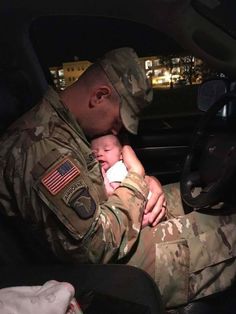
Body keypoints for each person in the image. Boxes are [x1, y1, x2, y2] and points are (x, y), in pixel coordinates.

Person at [0, 47, 235, 309]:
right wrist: (136, 177)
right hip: (100, 273)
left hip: (110, 227)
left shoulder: (65, 127)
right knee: (231, 231)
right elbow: (93, 247)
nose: (118, 130)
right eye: (117, 121)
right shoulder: (39, 146)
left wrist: (147, 183)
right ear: (100, 95)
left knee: (197, 197)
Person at [91, 134, 157, 227]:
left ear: (121, 154)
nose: (99, 154)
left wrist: (106, 187)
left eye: (107, 150)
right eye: (94, 153)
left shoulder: (117, 169)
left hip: (144, 213)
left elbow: (116, 195)